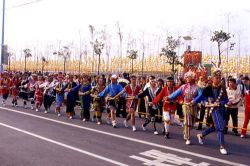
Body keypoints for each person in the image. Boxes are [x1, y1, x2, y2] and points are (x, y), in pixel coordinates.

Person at [194, 69, 228, 155]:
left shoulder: (222, 88)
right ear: (212, 78)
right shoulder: (208, 88)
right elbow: (200, 97)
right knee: (220, 127)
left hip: (221, 110)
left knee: (214, 127)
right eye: (216, 77)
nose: (218, 79)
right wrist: (193, 102)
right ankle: (222, 146)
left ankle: (201, 135)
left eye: (219, 77)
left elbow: (226, 100)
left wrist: (220, 103)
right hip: (212, 110)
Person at [167, 70, 199, 145]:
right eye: (186, 76)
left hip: (194, 106)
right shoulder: (183, 87)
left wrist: (200, 101)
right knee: (187, 120)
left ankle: (185, 130)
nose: (187, 78)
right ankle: (188, 138)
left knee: (192, 122)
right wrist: (168, 97)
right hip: (186, 105)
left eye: (189, 77)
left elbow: (201, 95)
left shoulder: (197, 87)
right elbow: (176, 93)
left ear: (193, 78)